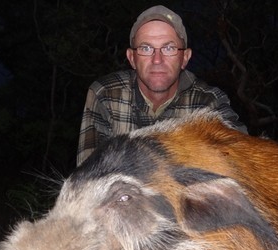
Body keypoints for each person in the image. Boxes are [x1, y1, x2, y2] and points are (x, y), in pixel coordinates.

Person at [77, 5, 246, 166]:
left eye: (169, 48)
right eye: (146, 48)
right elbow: (88, 176)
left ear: (185, 58)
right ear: (132, 58)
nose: (157, 60)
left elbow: (245, 160)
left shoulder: (209, 102)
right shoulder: (104, 95)